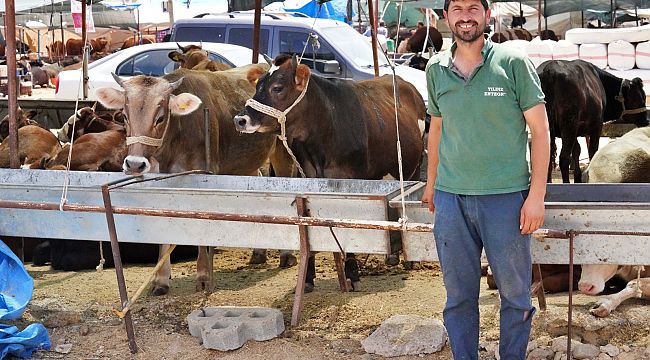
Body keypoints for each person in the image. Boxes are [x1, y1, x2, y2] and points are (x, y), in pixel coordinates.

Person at [421, 0, 549, 359]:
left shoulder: (512, 64)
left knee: (515, 296)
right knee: (458, 298)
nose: (465, 16)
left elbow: (540, 131)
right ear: (447, 17)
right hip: (451, 200)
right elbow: (437, 128)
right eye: (457, 9)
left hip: (506, 200)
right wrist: (431, 184)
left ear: (486, 15)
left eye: (473, 8)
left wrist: (536, 195)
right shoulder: (436, 69)